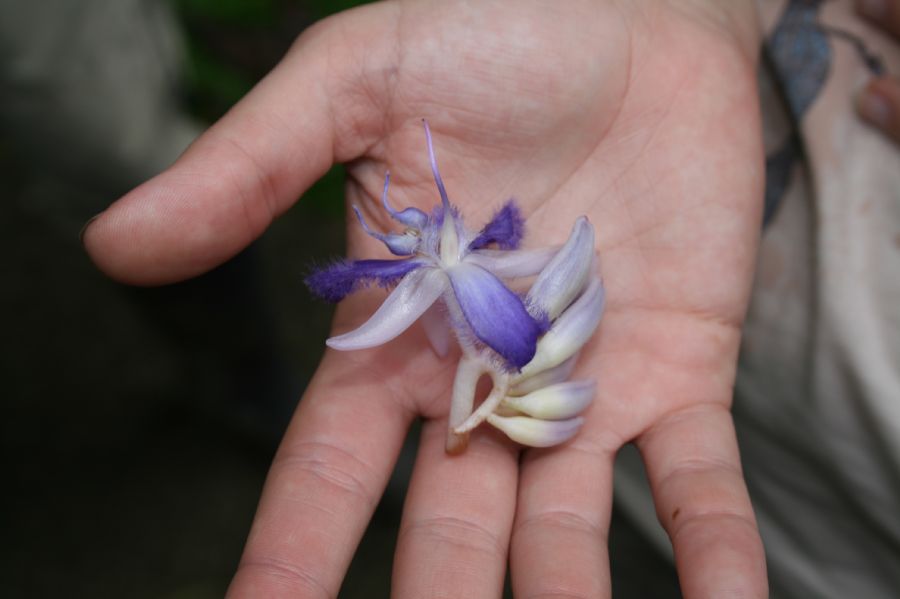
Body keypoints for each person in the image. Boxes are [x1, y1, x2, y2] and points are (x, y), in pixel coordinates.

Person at [81, 1, 900, 597]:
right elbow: (506, 313)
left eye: (423, 226)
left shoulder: (474, 294)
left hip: (838, 530)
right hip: (730, 428)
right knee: (630, 531)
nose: (415, 225)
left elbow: (516, 313)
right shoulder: (466, 291)